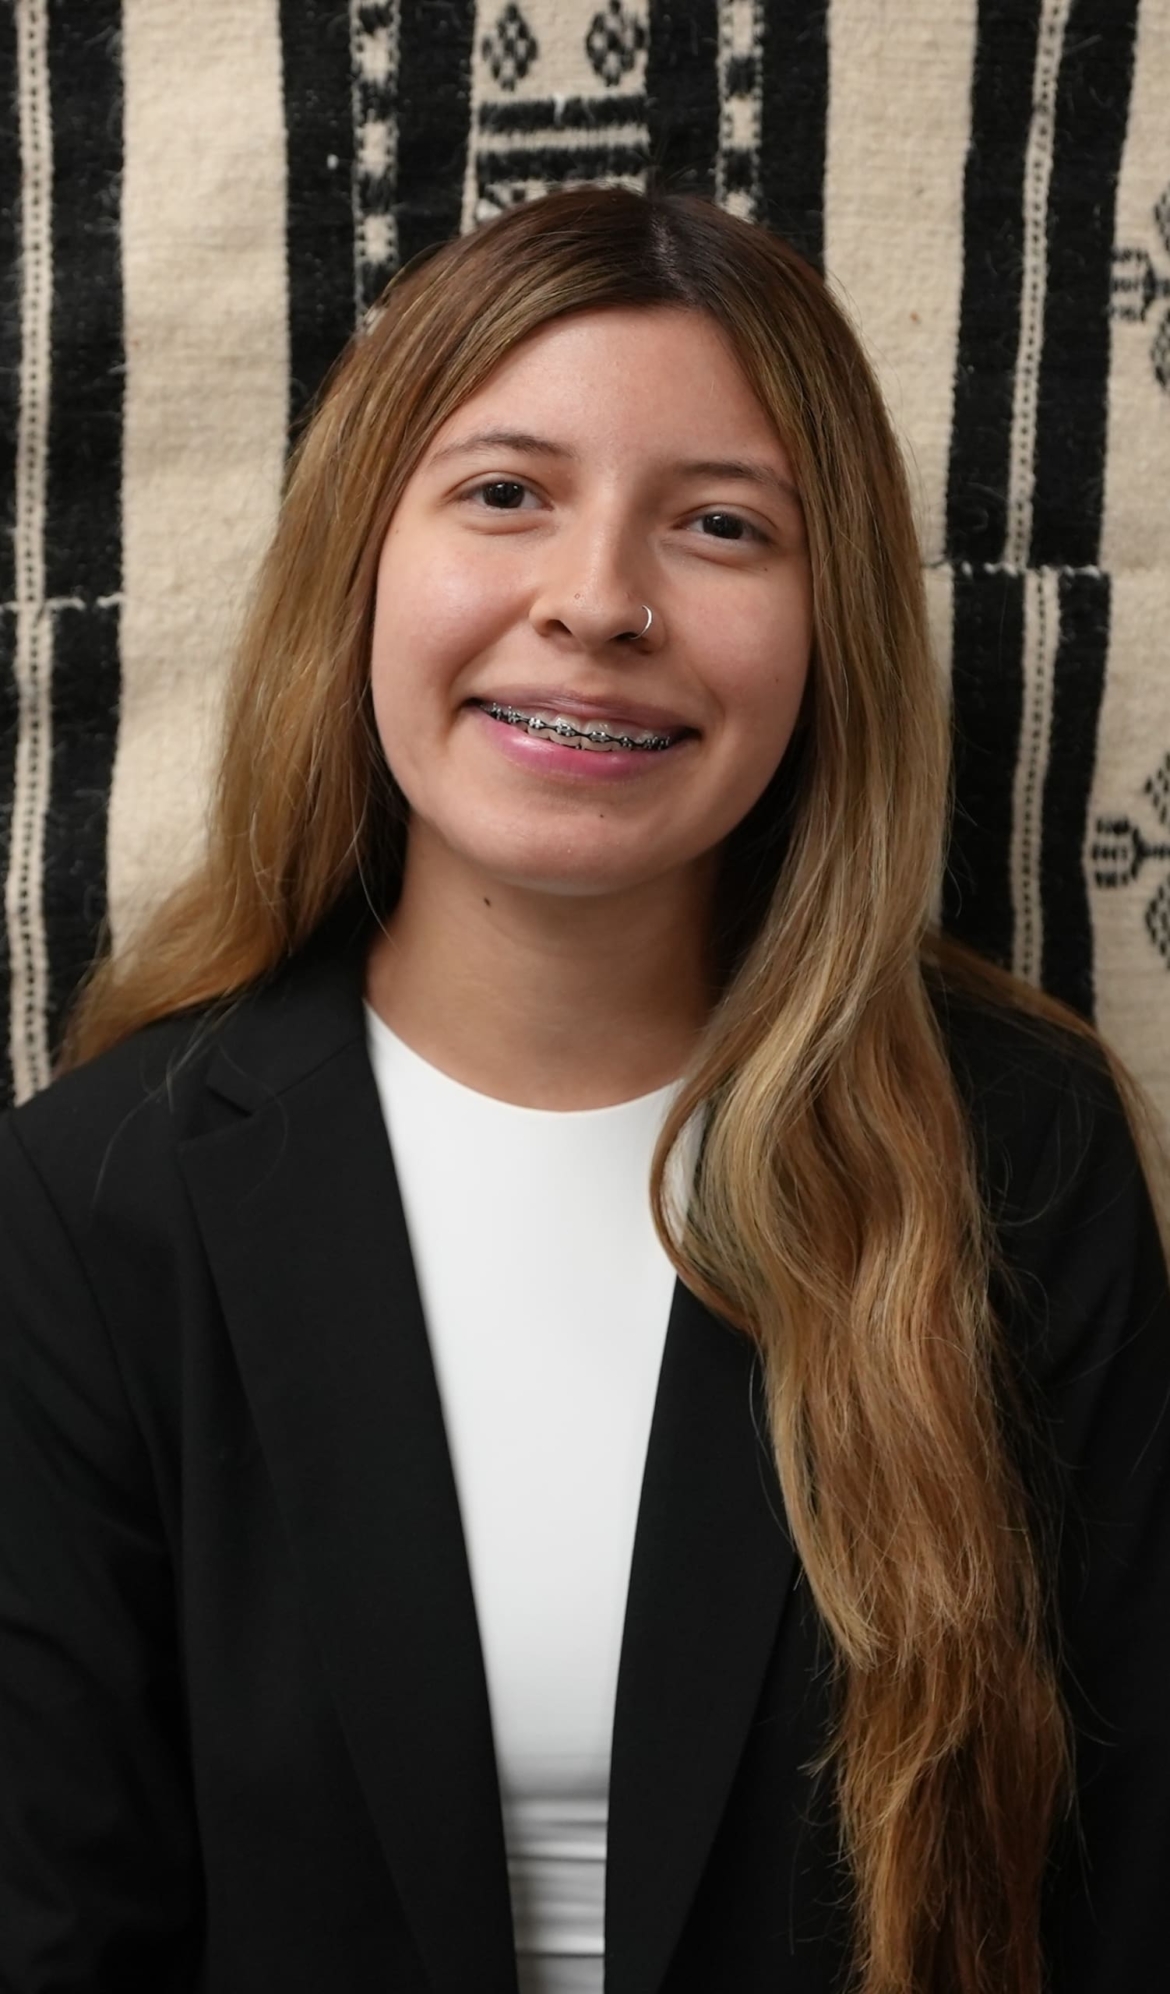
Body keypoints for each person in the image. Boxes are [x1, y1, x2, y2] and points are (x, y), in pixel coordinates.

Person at [0, 186, 1167, 1994]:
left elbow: (1127, 1900)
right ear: (358, 566)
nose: (600, 600)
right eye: (504, 492)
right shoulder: (92, 1203)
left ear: (826, 623)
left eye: (718, 524)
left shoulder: (1018, 1151)